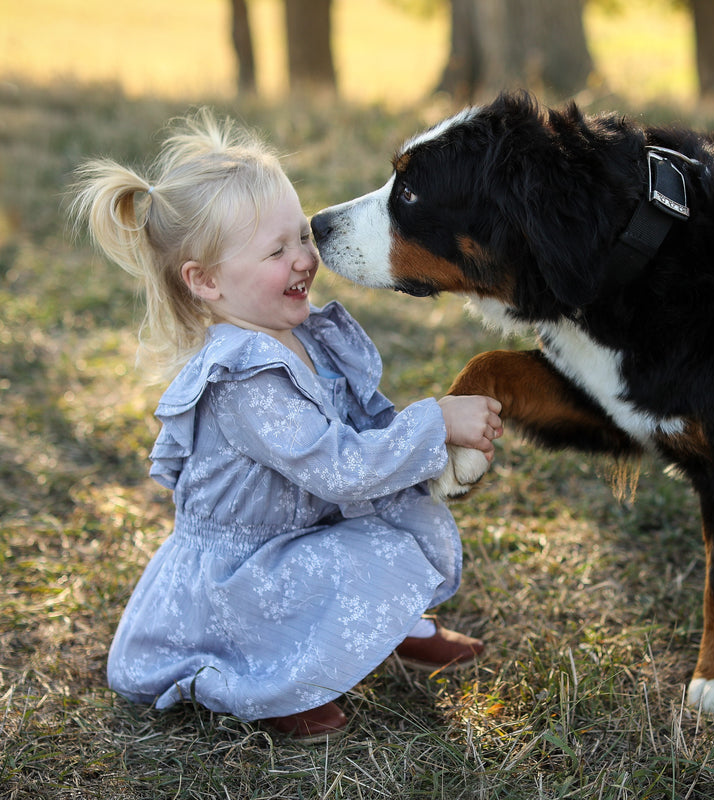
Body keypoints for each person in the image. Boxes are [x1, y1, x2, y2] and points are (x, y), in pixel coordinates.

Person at [70, 109, 502, 741]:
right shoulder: (243, 378)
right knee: (360, 550)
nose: (305, 258)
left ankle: (394, 626)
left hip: (301, 532)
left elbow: (358, 426)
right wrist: (433, 423)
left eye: (302, 235)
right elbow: (338, 467)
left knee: (386, 525)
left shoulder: (300, 334)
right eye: (278, 250)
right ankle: (270, 680)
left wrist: (425, 458)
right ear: (207, 282)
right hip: (247, 575)